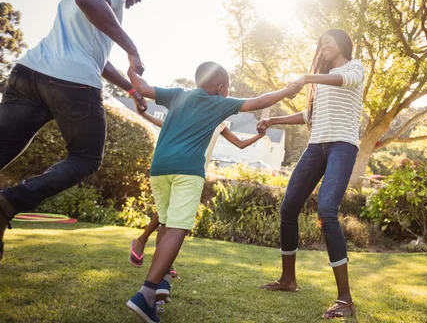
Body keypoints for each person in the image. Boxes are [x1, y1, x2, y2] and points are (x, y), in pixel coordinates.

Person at [124, 61, 300, 322]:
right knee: (177, 228)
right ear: (219, 87)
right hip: (187, 170)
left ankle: (160, 283)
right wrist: (288, 90)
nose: (228, 93)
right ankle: (146, 294)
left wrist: (131, 65)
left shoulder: (177, 94)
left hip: (159, 168)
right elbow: (258, 100)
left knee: (165, 222)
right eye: (227, 88)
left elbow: (140, 86)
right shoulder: (219, 103)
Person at [0, 0, 150, 261]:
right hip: (71, 84)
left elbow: (99, 60)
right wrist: (132, 49)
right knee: (86, 157)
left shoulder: (84, 6)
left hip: (29, 74)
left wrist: (132, 90)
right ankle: (7, 202)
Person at [258, 29, 364, 319]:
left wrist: (307, 78)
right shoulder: (321, 81)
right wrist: (273, 120)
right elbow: (309, 116)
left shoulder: (354, 67)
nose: (323, 47)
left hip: (342, 145)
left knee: (327, 211)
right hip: (316, 146)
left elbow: (345, 80)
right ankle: (288, 280)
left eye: (327, 42)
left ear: (341, 44)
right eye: (321, 44)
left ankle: (345, 300)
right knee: (288, 207)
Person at [129, 111, 266, 278]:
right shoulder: (193, 113)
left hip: (195, 172)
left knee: (170, 215)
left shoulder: (220, 122)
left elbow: (240, 143)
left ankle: (149, 246)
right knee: (169, 216)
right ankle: (159, 260)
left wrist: (260, 135)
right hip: (177, 166)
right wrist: (145, 114)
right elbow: (166, 124)